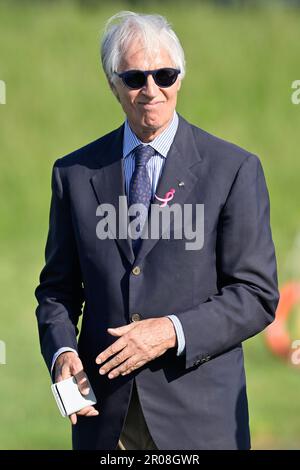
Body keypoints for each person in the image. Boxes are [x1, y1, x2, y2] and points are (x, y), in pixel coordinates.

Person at [35, 11, 279, 450]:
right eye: (134, 78)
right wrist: (61, 353)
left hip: (200, 423)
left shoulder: (234, 169)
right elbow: (57, 291)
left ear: (180, 78)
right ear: (113, 83)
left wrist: (170, 331)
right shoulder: (73, 173)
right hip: (104, 422)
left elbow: (256, 294)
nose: (151, 89)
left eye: (164, 74)